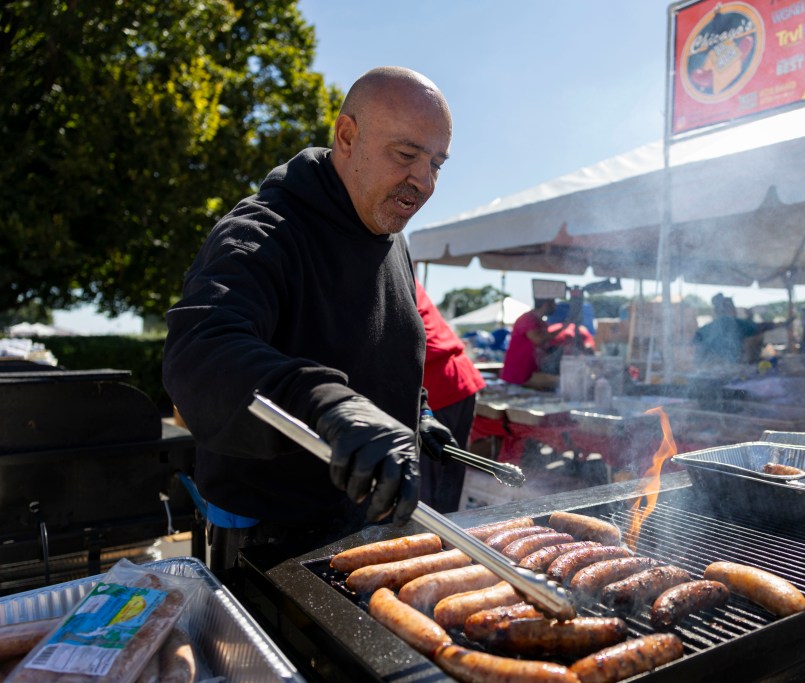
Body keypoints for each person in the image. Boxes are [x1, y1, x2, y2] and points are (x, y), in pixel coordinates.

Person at [162, 66, 459, 571]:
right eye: (406, 155)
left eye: (437, 163)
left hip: (367, 521)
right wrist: (323, 405)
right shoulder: (263, 230)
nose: (424, 181)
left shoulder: (393, 242)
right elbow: (200, 351)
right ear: (347, 136)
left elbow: (377, 346)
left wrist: (419, 413)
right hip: (268, 539)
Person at [416, 279, 486, 513]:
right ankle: (446, 541)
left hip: (435, 384)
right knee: (449, 476)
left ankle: (437, 542)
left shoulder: (384, 265)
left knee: (428, 486)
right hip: (460, 378)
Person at [500, 298, 565, 389]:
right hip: (518, 374)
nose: (555, 307)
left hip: (530, 372)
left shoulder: (541, 322)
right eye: (553, 304)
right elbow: (537, 339)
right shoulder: (528, 318)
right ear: (546, 304)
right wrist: (563, 327)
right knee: (562, 381)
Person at [692, 293, 762, 365]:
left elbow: (694, 349)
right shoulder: (738, 324)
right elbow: (760, 328)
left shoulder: (704, 329)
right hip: (734, 368)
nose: (735, 310)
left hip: (710, 369)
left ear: (716, 311)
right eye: (732, 307)